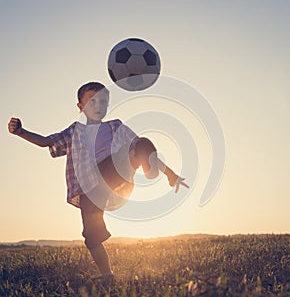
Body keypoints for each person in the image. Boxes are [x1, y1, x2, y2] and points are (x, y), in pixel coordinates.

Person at [8, 81, 189, 283]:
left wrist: (170, 174)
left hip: (115, 174)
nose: (98, 105)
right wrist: (20, 132)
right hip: (89, 190)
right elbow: (46, 142)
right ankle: (107, 275)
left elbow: (139, 145)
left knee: (140, 143)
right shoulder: (74, 131)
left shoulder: (114, 126)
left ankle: (146, 167)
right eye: (92, 100)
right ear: (80, 107)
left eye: (103, 101)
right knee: (91, 236)